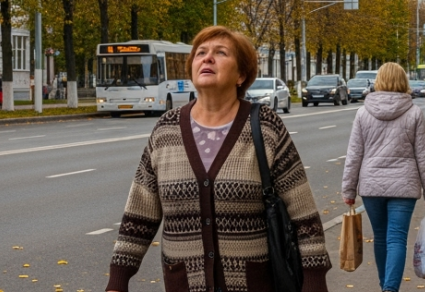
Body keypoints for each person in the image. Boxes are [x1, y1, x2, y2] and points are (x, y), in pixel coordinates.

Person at [108, 26, 331, 292]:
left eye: (220, 53)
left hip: (252, 284)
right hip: (184, 284)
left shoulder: (265, 126)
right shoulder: (166, 129)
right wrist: (118, 280)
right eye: (201, 53)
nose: (207, 58)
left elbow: (303, 214)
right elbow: (139, 214)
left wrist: (315, 279)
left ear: (241, 75)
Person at [343, 61, 425, 292]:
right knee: (396, 238)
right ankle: (390, 288)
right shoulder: (414, 113)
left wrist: (348, 190)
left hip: (371, 185)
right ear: (403, 81)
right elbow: (424, 156)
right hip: (403, 187)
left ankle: (383, 284)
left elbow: (354, 154)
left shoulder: (363, 113)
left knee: (380, 237)